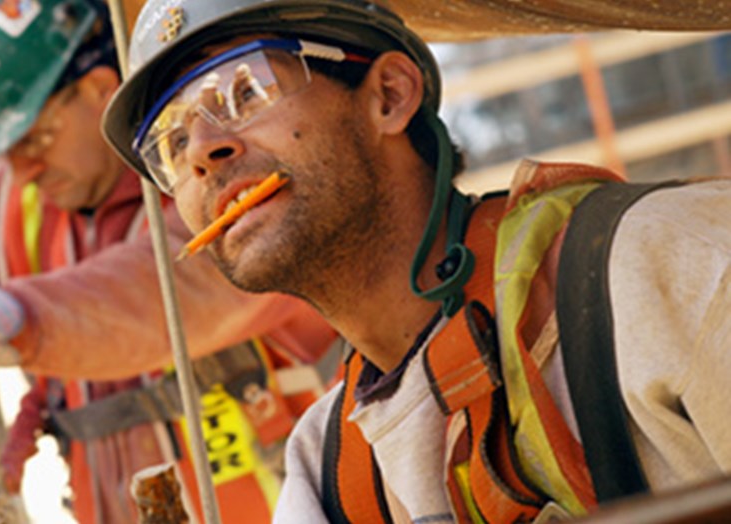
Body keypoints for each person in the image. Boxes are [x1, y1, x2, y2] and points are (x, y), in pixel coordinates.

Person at [101, 0, 731, 522]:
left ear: (390, 96)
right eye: (172, 139)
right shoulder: (327, 475)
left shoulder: (661, 267)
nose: (203, 150)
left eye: (245, 89)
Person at [0, 1, 339, 522]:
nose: (23, 167)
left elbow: (160, 293)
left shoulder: (220, 187)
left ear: (102, 91)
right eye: (6, 148)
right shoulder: (28, 197)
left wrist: (1, 316)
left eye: (35, 137)